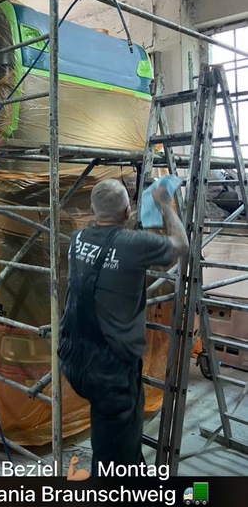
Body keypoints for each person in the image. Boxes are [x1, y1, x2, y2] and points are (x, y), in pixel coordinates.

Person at [58, 178, 189, 476]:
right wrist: (164, 205)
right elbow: (181, 244)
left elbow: (110, 247)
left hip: (73, 357)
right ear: (128, 212)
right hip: (110, 369)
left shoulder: (77, 239)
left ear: (92, 209)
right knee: (113, 453)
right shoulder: (135, 244)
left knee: (119, 432)